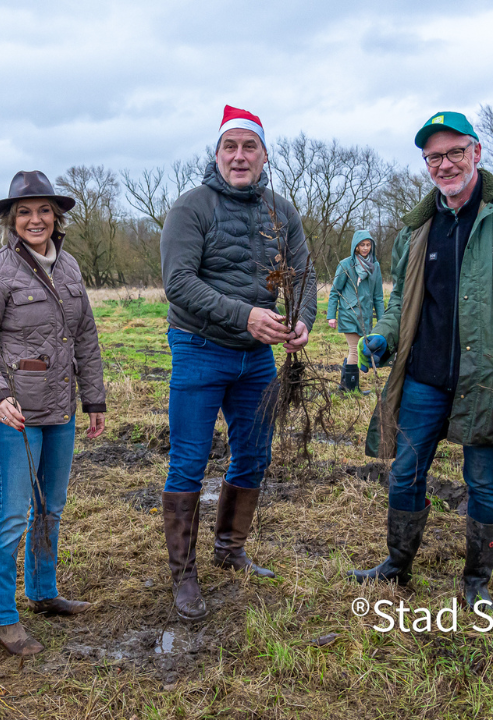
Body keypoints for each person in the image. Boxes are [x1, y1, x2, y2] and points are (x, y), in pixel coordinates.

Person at [353, 111, 493, 610]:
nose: (446, 164)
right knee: (406, 472)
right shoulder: (416, 229)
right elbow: (401, 304)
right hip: (424, 378)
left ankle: (476, 583)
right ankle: (396, 566)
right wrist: (383, 337)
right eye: (434, 156)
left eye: (456, 152)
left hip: (491, 379)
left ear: (476, 152)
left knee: (482, 482)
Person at [159, 105, 317, 621]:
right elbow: (179, 282)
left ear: (265, 155)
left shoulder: (282, 211)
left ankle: (230, 550)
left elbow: (304, 276)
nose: (240, 156)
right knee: (188, 459)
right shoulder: (191, 208)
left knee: (254, 454)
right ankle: (183, 575)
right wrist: (245, 315)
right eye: (231, 146)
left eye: (250, 147)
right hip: (199, 348)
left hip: (258, 359)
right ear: (218, 153)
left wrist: (302, 322)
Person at [0, 171, 107, 656]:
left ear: (57, 216)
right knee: (12, 515)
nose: (35, 219)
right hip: (12, 415)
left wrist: (94, 399)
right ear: (10, 220)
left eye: (44, 210)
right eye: (24, 212)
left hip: (60, 409)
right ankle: (1, 616)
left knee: (51, 507)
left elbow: (85, 336)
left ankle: (44, 592)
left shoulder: (70, 268)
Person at [327, 230, 385, 392]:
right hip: (349, 313)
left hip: (366, 316)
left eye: (368, 245)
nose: (365, 248)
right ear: (356, 246)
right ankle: (350, 389)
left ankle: (348, 386)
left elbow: (378, 297)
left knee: (362, 350)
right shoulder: (345, 265)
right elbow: (335, 291)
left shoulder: (375, 266)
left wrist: (383, 321)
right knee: (355, 349)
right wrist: (331, 315)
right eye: (362, 245)